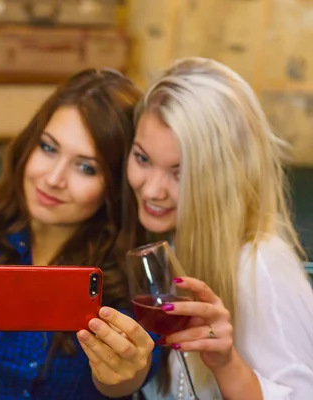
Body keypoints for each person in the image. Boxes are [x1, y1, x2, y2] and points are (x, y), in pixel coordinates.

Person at [0, 68, 160, 399]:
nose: (53, 178)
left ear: (119, 184)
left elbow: (130, 378)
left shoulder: (130, 261)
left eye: (86, 168)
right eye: (49, 148)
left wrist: (123, 371)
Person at [127, 57, 313, 400]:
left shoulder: (261, 265)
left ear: (223, 177)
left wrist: (227, 364)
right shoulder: (173, 245)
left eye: (180, 173)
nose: (152, 189)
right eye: (142, 158)